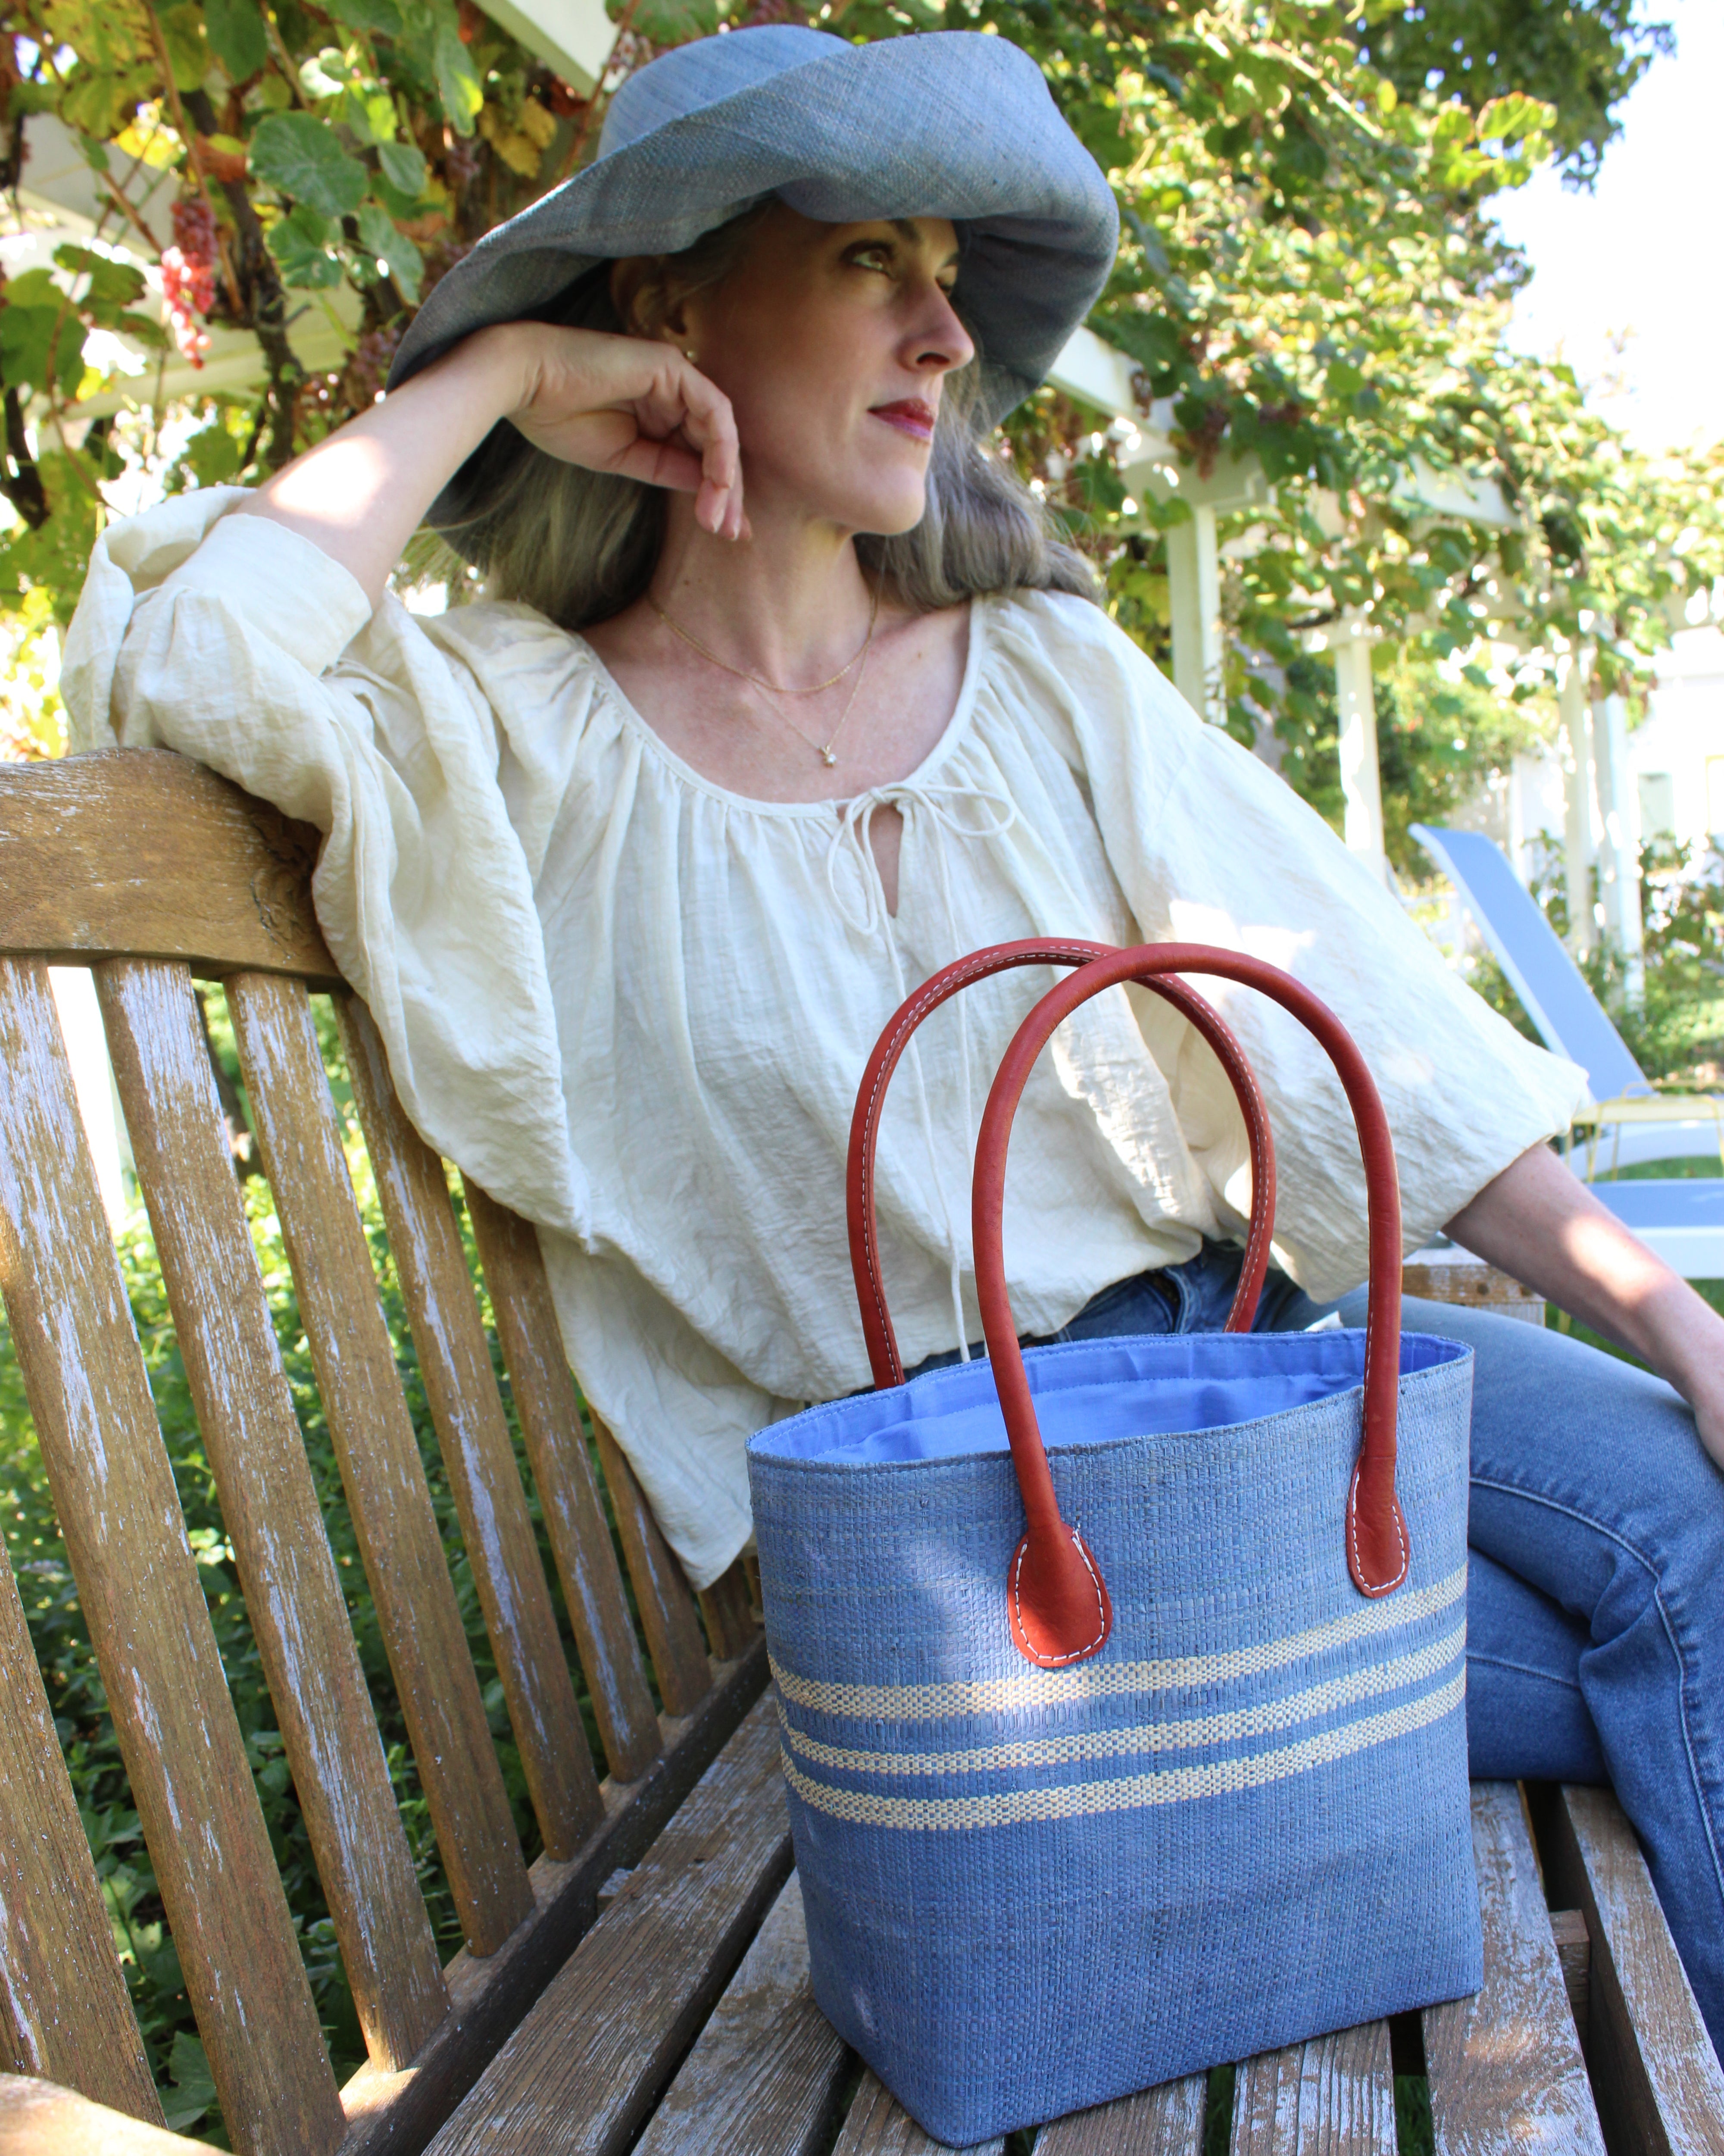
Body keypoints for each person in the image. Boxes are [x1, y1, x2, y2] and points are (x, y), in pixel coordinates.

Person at [66, 22, 1723, 2058]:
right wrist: (493, 375)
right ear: (668, 309)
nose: (944, 334)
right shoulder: (509, 743)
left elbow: (1359, 1027)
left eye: (950, 278)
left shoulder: (1038, 672)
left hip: (1239, 1364)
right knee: (1692, 1619)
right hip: (956, 1542)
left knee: (1703, 1523)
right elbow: (185, 665)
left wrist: (1688, 1329)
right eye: (871, 261)